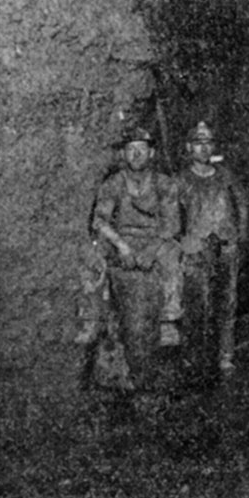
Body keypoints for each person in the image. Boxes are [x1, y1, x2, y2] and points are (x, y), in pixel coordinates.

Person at [89, 126, 183, 386]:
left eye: (142, 148)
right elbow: (100, 221)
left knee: (173, 252)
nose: (137, 153)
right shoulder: (114, 184)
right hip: (124, 241)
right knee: (93, 258)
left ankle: (168, 317)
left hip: (156, 240)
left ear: (151, 152)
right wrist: (123, 246)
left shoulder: (165, 184)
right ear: (124, 154)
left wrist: (150, 251)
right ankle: (92, 319)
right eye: (132, 149)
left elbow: (171, 226)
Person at [176, 121, 249, 376]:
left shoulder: (225, 175)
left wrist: (239, 236)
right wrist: (182, 244)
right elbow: (173, 215)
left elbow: (241, 205)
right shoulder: (182, 179)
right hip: (196, 249)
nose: (204, 148)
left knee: (227, 302)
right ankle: (195, 357)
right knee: (197, 305)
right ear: (189, 147)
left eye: (208, 143)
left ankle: (225, 356)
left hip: (226, 246)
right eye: (198, 143)